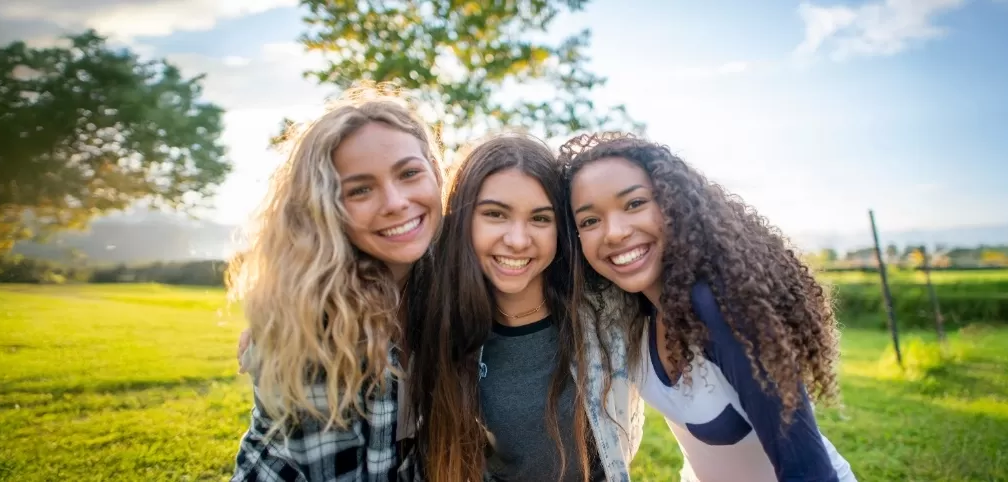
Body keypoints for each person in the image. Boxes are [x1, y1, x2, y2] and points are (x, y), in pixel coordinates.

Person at [560, 133, 857, 482]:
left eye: (634, 203)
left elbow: (809, 471)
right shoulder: (628, 311)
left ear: (674, 205)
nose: (614, 233)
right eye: (590, 221)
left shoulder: (723, 309)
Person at [227, 86, 444, 481]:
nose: (395, 202)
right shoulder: (317, 324)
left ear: (435, 171)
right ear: (326, 207)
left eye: (409, 173)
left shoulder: (441, 277)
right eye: (360, 190)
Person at [407, 133, 644, 482]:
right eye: (495, 214)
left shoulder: (607, 308)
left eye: (540, 219)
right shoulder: (443, 320)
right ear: (462, 220)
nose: (518, 240)